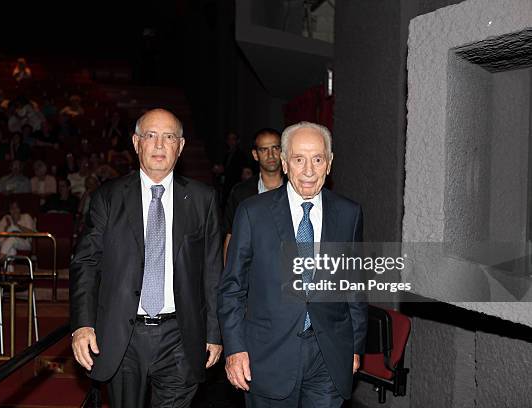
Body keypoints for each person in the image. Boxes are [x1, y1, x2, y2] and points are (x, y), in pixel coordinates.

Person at [70, 108, 223, 408]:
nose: (159, 145)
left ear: (180, 147)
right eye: (150, 136)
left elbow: (213, 270)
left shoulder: (202, 199)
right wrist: (83, 324)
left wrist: (215, 332)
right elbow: (86, 264)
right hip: (122, 336)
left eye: (169, 137)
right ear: (136, 142)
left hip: (181, 336)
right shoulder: (108, 197)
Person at [218, 121, 368, 408]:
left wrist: (354, 347)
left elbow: (354, 288)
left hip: (329, 356)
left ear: (330, 162)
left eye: (318, 159)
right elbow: (232, 288)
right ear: (285, 163)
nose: (309, 170)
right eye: (299, 159)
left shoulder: (349, 213)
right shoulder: (252, 213)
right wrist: (235, 349)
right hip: (267, 356)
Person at [223, 128, 284, 260]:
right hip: (253, 270)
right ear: (255, 155)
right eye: (264, 150)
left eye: (275, 148)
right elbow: (231, 236)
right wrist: (229, 278)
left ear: (282, 151)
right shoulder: (241, 193)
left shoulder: (297, 189)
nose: (271, 155)